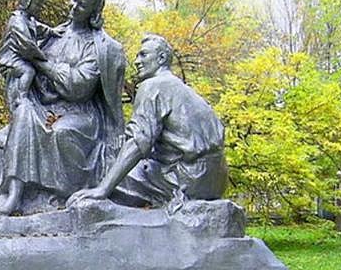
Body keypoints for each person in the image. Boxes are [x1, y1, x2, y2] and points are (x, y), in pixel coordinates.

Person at [0, 0, 126, 214]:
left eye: (81, 4)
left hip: (80, 113)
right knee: (23, 111)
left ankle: (62, 195)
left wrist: (40, 63)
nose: (73, 6)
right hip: (45, 107)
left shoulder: (99, 47)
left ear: (93, 11)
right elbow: (21, 57)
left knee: (61, 132)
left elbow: (78, 87)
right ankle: (15, 194)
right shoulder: (55, 34)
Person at [67, 34, 228, 209]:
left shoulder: (153, 86)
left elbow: (137, 143)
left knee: (101, 166)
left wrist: (102, 189)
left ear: (161, 58)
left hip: (185, 179)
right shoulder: (186, 91)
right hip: (216, 181)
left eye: (143, 55)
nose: (136, 61)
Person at [0, 0, 59, 110]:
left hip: (20, 55)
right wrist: (42, 57)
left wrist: (52, 31)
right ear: (26, 1)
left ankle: (43, 94)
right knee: (28, 70)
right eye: (37, 4)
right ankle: (22, 97)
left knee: (34, 68)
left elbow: (39, 28)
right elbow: (27, 45)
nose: (39, 8)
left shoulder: (29, 19)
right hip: (9, 57)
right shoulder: (17, 21)